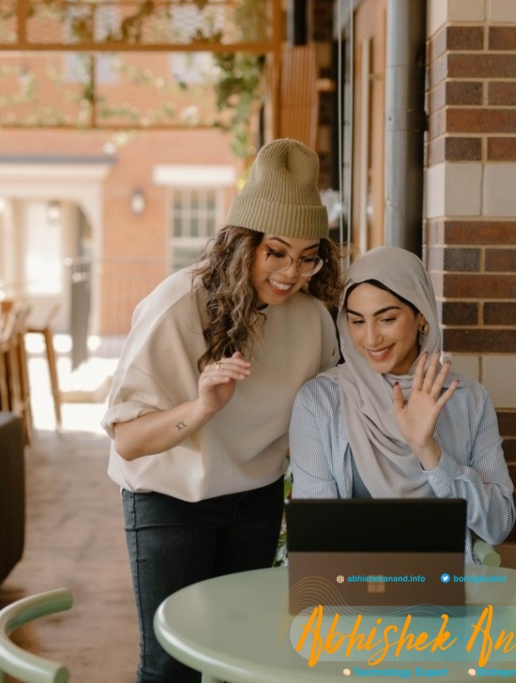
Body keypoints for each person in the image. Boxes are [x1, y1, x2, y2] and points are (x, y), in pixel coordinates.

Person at [102, 138, 343, 682]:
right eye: (275, 252)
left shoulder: (311, 320)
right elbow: (127, 441)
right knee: (170, 667)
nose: (290, 272)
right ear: (243, 244)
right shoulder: (176, 306)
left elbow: (326, 418)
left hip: (254, 501)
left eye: (308, 257)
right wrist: (203, 406)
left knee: (240, 657)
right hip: (170, 500)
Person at [289, 245, 515, 561]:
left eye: (387, 319)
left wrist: (428, 451)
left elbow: (498, 526)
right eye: (357, 321)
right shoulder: (319, 401)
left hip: (445, 594)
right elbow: (316, 536)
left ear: (421, 315)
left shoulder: (468, 399)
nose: (370, 339)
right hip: (350, 591)